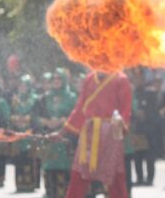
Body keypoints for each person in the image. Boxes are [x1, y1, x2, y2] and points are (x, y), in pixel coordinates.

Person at [51, 69, 132, 198]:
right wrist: (62, 132)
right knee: (78, 175)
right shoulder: (89, 79)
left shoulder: (121, 79)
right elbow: (79, 109)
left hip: (110, 133)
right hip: (89, 133)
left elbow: (126, 109)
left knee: (115, 178)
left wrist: (120, 128)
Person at [38, 69, 76, 198]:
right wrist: (46, 122)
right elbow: (37, 115)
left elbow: (76, 115)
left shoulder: (71, 97)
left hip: (65, 138)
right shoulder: (45, 97)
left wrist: (62, 121)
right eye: (54, 79)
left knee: (64, 170)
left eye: (59, 78)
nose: (56, 81)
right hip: (50, 138)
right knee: (49, 169)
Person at [129, 68, 159, 186]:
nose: (138, 80)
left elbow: (155, 110)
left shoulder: (150, 93)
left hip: (149, 129)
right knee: (137, 156)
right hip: (137, 129)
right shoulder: (132, 93)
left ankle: (150, 178)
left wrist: (145, 113)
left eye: (140, 77)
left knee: (149, 156)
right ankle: (139, 178)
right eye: (136, 78)